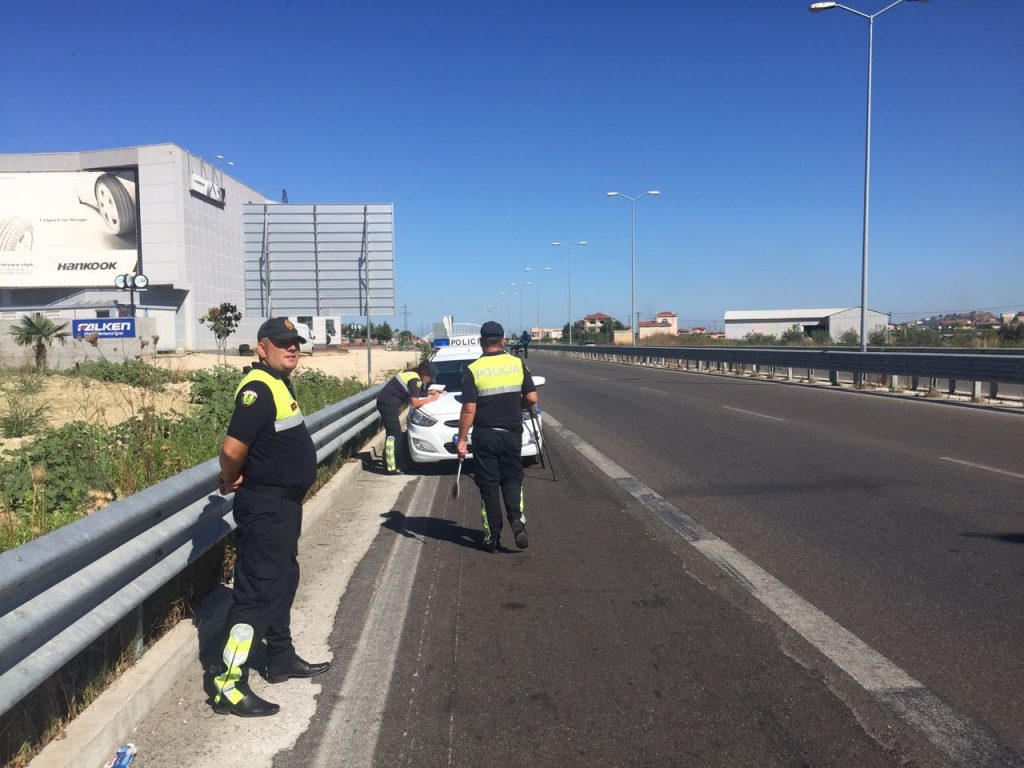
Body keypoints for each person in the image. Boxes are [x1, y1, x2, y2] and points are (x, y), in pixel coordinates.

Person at [211, 317, 330, 718]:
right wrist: (231, 477)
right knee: (257, 593)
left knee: (282, 580)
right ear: (262, 348)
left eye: (295, 342)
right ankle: (228, 685)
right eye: (282, 343)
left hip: (282, 508)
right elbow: (232, 450)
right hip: (265, 508)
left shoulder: (278, 383)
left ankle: (279, 658)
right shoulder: (258, 390)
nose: (292, 348)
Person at [457, 321, 538, 552]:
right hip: (512, 433)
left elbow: (469, 409)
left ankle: (492, 537)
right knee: (512, 478)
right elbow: (532, 398)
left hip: (485, 435)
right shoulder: (517, 363)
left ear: (480, 341)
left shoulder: (473, 369)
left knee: (488, 485)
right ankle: (516, 519)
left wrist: (461, 440)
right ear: (503, 340)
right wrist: (515, 407)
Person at [375, 361, 442, 475]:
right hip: (388, 404)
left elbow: (414, 392)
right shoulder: (415, 380)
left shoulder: (412, 375)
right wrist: (432, 399)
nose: (429, 381)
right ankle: (390, 468)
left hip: (386, 403)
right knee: (394, 435)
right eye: (429, 378)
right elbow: (415, 402)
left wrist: (429, 392)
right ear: (425, 374)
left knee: (395, 434)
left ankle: (393, 463)